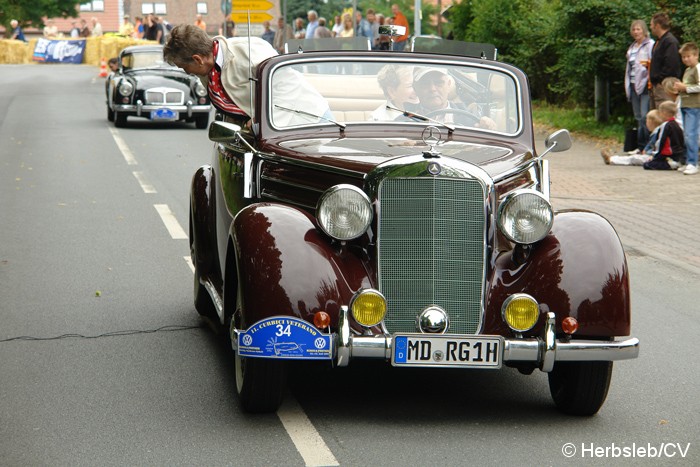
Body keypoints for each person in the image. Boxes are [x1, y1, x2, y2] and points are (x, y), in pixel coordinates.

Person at [163, 24, 329, 128]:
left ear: (197, 59)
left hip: (309, 122)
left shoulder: (250, 51)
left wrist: (260, 121)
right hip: (269, 133)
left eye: (185, 67)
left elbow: (287, 89)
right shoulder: (209, 70)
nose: (187, 72)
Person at [625, 20, 654, 152]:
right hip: (632, 84)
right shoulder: (632, 48)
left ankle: (647, 146)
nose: (636, 32)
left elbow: (651, 64)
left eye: (638, 29)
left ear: (644, 30)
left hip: (644, 85)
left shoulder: (650, 45)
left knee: (644, 116)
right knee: (637, 116)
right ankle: (640, 145)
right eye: (634, 30)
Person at [673, 42, 700, 175]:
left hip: (695, 106)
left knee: (691, 135)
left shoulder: (698, 68)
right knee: (686, 134)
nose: (686, 59)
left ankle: (693, 162)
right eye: (683, 57)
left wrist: (686, 88)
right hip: (685, 104)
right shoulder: (687, 70)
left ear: (696, 55)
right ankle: (689, 160)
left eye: (688, 56)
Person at [649, 12, 681, 109]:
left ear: (657, 26)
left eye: (651, 25)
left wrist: (660, 79)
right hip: (656, 86)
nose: (650, 27)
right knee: (656, 116)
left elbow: (671, 65)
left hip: (664, 86)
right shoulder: (659, 41)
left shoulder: (670, 42)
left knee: (664, 114)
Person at [643, 100, 686, 170]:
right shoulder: (677, 124)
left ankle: (670, 164)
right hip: (678, 154)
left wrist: (654, 156)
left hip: (668, 155)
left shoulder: (665, 125)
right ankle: (676, 163)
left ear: (664, 113)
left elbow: (660, 142)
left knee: (647, 164)